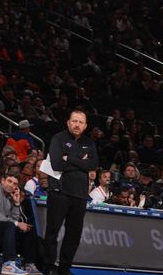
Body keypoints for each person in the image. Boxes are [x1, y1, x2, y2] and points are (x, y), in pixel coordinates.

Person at [43, 110, 99, 275]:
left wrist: (70, 158)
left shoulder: (89, 142)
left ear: (85, 125)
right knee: (52, 232)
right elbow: (57, 164)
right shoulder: (58, 138)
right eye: (74, 121)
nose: (77, 125)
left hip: (80, 195)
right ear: (68, 122)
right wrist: (82, 161)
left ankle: (64, 268)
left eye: (81, 122)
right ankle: (49, 267)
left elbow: (93, 164)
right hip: (59, 192)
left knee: (73, 235)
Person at [0, 171, 40, 275]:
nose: (11, 185)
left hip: (6, 228)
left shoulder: (10, 195)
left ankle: (29, 264)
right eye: (9, 181)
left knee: (30, 229)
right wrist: (17, 223)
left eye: (15, 183)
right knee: (11, 225)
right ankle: (8, 264)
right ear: (2, 181)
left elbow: (14, 217)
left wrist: (16, 203)